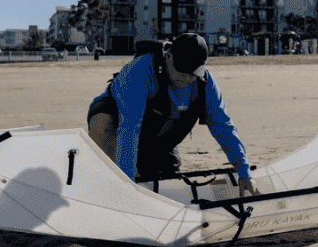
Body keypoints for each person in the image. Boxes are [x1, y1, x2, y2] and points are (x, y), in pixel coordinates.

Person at [87, 33, 258, 196]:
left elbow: (223, 127)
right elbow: (129, 130)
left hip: (160, 135)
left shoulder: (206, 84)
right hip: (118, 121)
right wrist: (129, 186)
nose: (185, 78)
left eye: (192, 74)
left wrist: (244, 172)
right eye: (180, 71)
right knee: (102, 126)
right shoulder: (141, 70)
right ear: (168, 56)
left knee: (167, 184)